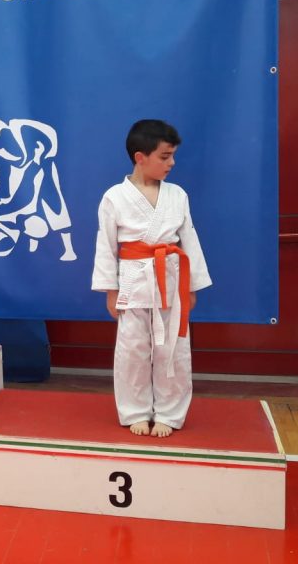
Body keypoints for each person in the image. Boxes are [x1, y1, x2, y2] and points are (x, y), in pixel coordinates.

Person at [91, 120, 211, 438]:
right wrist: (110, 290)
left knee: (173, 350)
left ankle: (169, 413)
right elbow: (106, 246)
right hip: (133, 281)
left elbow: (190, 240)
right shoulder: (114, 197)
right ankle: (135, 410)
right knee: (132, 350)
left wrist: (192, 286)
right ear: (140, 157)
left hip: (171, 279)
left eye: (172, 156)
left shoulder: (177, 195)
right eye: (165, 156)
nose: (172, 163)